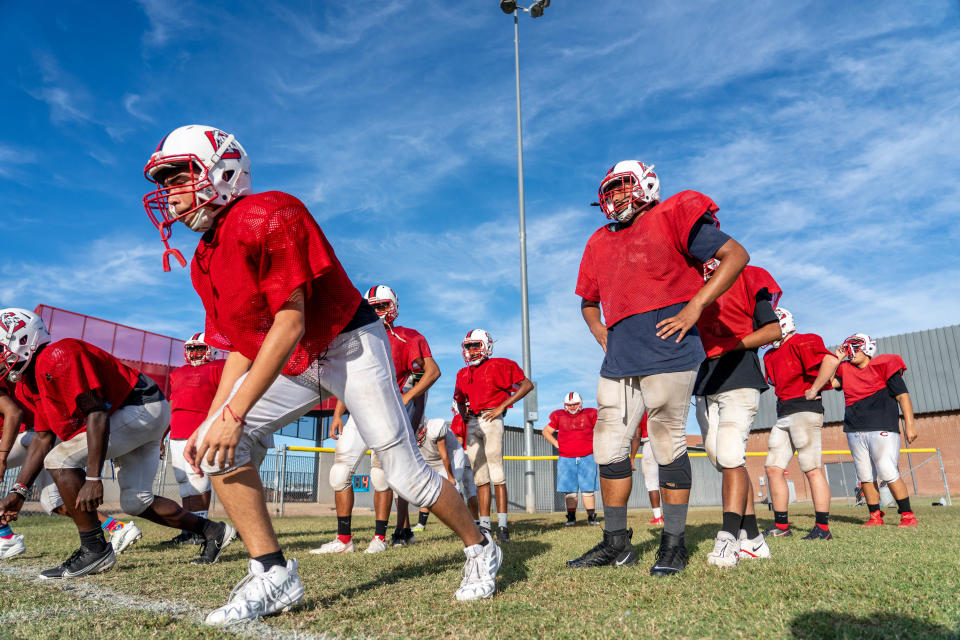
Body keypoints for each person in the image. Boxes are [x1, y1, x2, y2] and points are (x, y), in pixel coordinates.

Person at [142, 125, 500, 624]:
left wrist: (235, 410)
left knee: (405, 475)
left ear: (222, 172)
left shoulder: (269, 212)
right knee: (223, 448)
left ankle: (480, 546)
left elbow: (292, 320)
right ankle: (273, 573)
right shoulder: (204, 258)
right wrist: (217, 416)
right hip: (296, 357)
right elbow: (246, 346)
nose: (170, 193)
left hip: (346, 342)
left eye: (178, 177)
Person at [571, 160, 749, 574]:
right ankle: (616, 544)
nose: (614, 195)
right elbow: (588, 301)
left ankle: (673, 543)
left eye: (621, 186)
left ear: (645, 183)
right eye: (609, 189)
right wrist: (600, 330)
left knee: (666, 442)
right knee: (608, 446)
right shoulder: (598, 240)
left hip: (668, 347)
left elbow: (735, 255)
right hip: (619, 356)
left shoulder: (672, 213)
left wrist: (694, 308)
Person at [0, 308, 233, 579]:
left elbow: (96, 412)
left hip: (138, 407)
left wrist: (93, 476)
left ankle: (94, 550)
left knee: (59, 460)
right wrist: (19, 491)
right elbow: (43, 437)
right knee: (136, 501)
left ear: (22, 339)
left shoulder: (57, 355)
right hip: (140, 413)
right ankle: (213, 531)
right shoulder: (29, 384)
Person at [313, 285, 438, 554]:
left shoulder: (408, 337)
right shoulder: (357, 338)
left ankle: (379, 538)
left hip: (386, 412)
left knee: (381, 477)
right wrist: (337, 413)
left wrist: (407, 398)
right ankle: (344, 539)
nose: (376, 312)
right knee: (339, 474)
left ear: (392, 307)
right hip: (357, 410)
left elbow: (432, 372)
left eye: (381, 306)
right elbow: (349, 378)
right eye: (371, 307)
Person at [693, 262, 783, 567]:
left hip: (740, 376)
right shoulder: (690, 282)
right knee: (724, 460)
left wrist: (730, 345)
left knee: (731, 457)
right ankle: (755, 539)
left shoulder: (745, 276)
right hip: (706, 383)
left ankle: (728, 537)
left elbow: (772, 329)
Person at [0, 370, 142, 559]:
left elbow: (13, 413)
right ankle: (117, 527)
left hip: (37, 437)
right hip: (38, 436)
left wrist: (2, 458)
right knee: (53, 503)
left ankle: (5, 535)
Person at [806, 333, 919, 527]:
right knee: (864, 474)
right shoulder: (844, 369)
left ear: (867, 348)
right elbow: (829, 383)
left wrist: (910, 425)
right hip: (855, 428)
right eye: (848, 348)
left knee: (887, 469)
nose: (851, 351)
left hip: (883, 426)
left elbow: (903, 396)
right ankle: (875, 515)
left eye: (855, 347)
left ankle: (907, 515)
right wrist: (837, 360)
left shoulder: (884, 364)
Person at [454, 329, 534, 543]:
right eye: (468, 346)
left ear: (486, 345)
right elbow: (460, 400)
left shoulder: (501, 364)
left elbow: (527, 385)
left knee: (497, 473)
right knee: (480, 478)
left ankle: (503, 526)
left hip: (491, 419)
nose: (471, 350)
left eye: (475, 345)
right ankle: (486, 527)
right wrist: (464, 414)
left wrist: (501, 407)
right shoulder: (463, 373)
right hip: (473, 422)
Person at [761, 308, 835, 540]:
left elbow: (831, 360)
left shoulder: (804, 341)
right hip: (783, 413)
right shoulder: (770, 355)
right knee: (773, 468)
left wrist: (814, 389)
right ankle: (782, 526)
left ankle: (822, 529)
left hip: (804, 410)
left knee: (811, 469)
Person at [165, 333, 227, 549]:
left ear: (211, 350)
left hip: (201, 431)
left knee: (198, 477)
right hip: (177, 432)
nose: (195, 353)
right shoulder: (178, 373)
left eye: (200, 348)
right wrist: (163, 434)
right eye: (191, 349)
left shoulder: (220, 367)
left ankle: (202, 530)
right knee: (184, 482)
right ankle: (189, 528)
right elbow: (172, 406)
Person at [541, 392, 599, 527]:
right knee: (570, 491)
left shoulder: (590, 413)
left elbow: (601, 428)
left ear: (581, 404)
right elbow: (546, 431)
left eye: (575, 404)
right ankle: (571, 518)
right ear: (564, 405)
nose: (572, 407)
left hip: (587, 455)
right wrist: (556, 444)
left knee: (588, 490)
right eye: (569, 405)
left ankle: (591, 517)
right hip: (566, 457)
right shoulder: (559, 415)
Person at [414, 416, 479, 522]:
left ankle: (466, 520)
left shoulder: (436, 427)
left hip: (454, 454)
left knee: (455, 487)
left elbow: (445, 455)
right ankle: (421, 524)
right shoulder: (410, 433)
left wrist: (450, 477)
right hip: (435, 460)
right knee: (428, 488)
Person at [628, 414, 662, 525]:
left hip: (650, 443)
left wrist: (632, 458)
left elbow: (637, 435)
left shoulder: (641, 409)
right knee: (669, 481)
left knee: (652, 482)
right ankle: (672, 516)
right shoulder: (662, 402)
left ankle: (658, 517)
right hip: (669, 442)